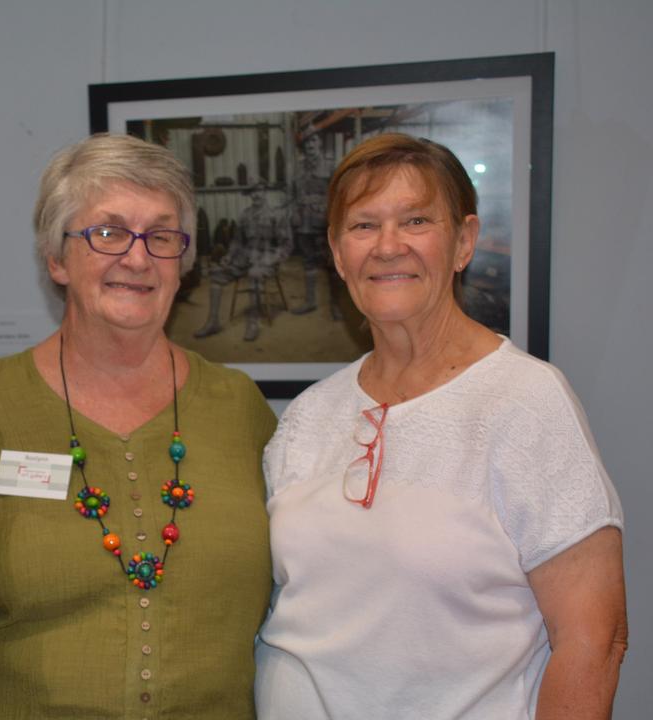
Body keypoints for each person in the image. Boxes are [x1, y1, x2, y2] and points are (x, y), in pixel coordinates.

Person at [255, 133, 627, 719]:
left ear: (464, 243)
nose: (387, 247)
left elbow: (593, 642)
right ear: (336, 252)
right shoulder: (311, 414)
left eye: (417, 220)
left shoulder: (524, 401)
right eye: (362, 226)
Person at [0, 134, 277, 719]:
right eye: (107, 233)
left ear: (184, 262)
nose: (137, 258)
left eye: (161, 236)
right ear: (57, 259)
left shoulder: (240, 410)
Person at [192, 180, 291, 341]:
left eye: (259, 190)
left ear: (264, 191)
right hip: (244, 259)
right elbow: (237, 242)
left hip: (266, 260)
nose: (256, 194)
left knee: (254, 274)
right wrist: (229, 256)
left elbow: (286, 245)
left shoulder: (276, 214)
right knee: (216, 276)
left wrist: (272, 259)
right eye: (252, 192)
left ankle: (253, 322)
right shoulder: (245, 215)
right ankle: (213, 322)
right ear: (250, 195)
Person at [287, 130, 344, 320]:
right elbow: (294, 195)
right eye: (307, 144)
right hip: (304, 223)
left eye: (313, 141)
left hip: (323, 223)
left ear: (319, 143)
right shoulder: (299, 167)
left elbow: (339, 195)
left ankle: (337, 306)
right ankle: (310, 302)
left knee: (332, 266)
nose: (310, 146)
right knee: (308, 262)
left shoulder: (329, 166)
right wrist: (294, 213)